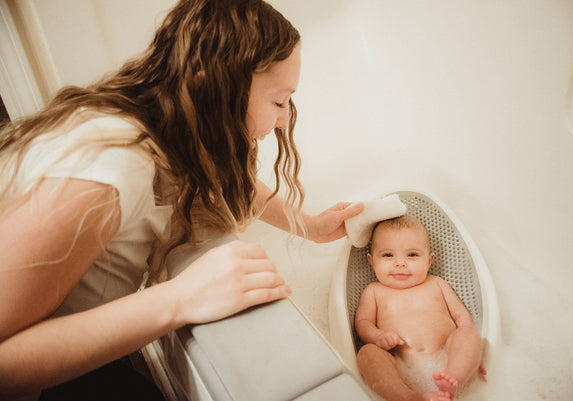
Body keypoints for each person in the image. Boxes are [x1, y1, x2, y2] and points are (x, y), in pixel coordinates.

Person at [0, 1, 364, 399]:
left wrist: (308, 225)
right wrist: (180, 298)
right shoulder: (110, 170)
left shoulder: (163, 125)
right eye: (279, 101)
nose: (283, 120)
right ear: (213, 87)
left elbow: (220, 178)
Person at [355, 216, 485, 401]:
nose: (400, 263)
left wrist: (472, 355)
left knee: (468, 335)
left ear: (429, 260)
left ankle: (454, 380)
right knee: (367, 353)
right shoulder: (374, 291)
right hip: (399, 365)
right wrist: (377, 337)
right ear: (371, 260)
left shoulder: (437, 283)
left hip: (447, 357)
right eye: (388, 255)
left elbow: (462, 318)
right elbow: (363, 322)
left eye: (412, 255)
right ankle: (406, 396)